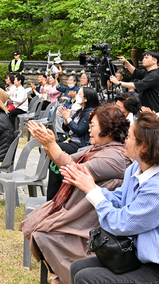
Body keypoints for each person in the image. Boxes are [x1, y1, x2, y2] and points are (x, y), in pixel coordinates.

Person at [66, 113, 159, 284]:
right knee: (78, 268)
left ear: (144, 147)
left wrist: (92, 191)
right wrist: (90, 185)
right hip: (141, 258)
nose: (124, 140)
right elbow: (120, 199)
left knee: (87, 278)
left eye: (129, 137)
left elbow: (121, 225)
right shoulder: (136, 169)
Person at [22, 105, 131, 284]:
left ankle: (60, 278)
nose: (88, 129)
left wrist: (51, 144)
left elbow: (75, 170)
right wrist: (46, 143)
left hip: (90, 219)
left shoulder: (117, 157)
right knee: (36, 221)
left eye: (93, 125)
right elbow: (67, 160)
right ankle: (57, 276)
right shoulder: (96, 148)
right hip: (80, 208)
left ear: (108, 128)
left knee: (44, 231)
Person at [47, 87, 100, 200]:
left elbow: (80, 131)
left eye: (80, 94)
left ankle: (58, 175)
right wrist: (67, 119)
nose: (77, 96)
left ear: (86, 99)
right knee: (48, 145)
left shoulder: (90, 113)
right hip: (71, 140)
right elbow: (66, 128)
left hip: (79, 145)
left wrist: (68, 119)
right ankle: (56, 171)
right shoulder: (80, 111)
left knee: (53, 147)